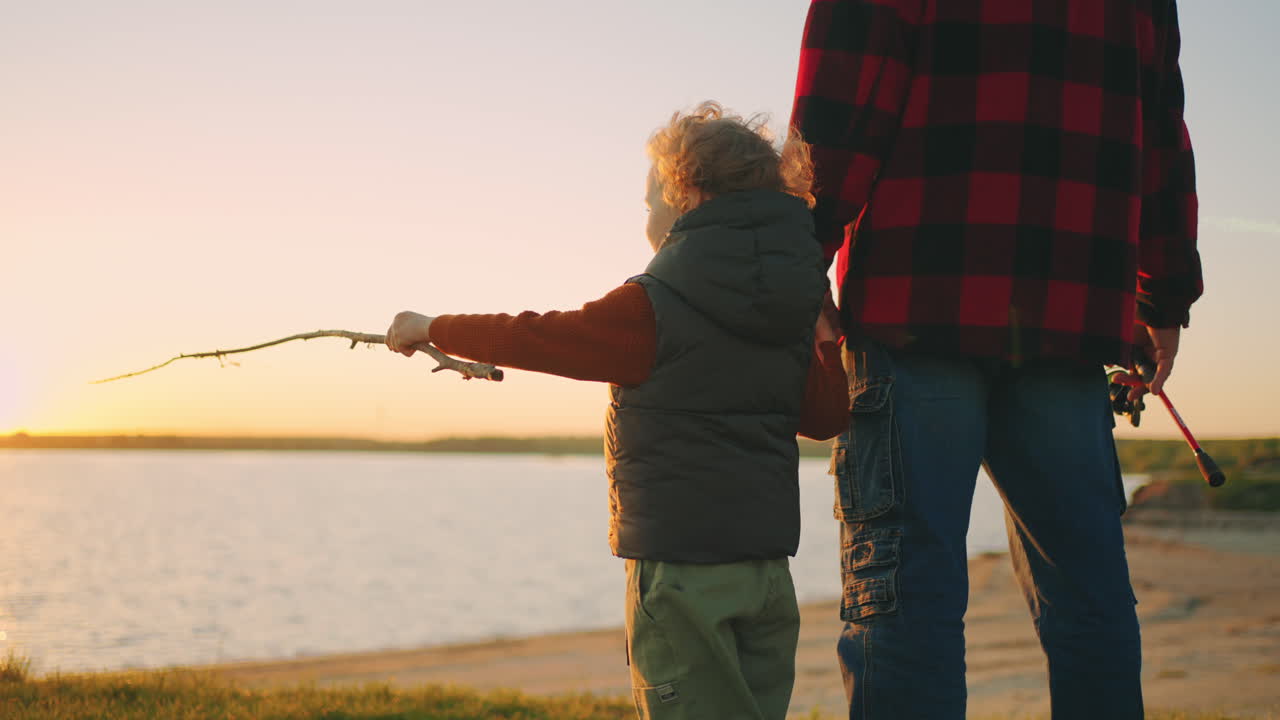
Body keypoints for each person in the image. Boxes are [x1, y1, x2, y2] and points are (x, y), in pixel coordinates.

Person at [790, 1, 1202, 718]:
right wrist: (1162, 295)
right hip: (1068, 313)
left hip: (917, 302)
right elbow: (1160, 126)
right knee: (1091, 606)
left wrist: (797, 258)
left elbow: (841, 99)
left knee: (906, 603)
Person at [385, 102, 848, 720]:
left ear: (688, 196)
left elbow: (541, 337)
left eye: (649, 200)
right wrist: (825, 336)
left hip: (684, 576)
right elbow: (824, 417)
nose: (646, 215)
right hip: (765, 576)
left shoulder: (654, 305)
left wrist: (431, 325)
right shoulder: (794, 302)